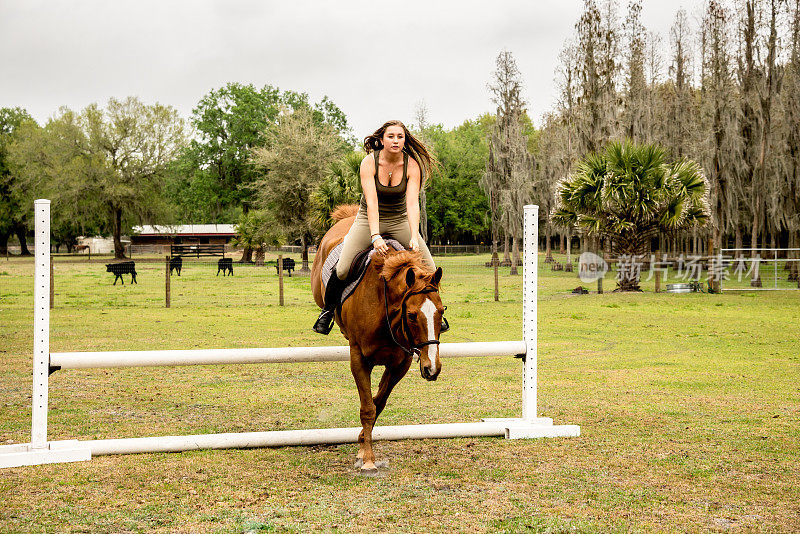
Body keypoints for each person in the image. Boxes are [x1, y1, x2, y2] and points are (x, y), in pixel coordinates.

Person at [313, 119, 444, 334]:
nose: (395, 140)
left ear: (404, 140)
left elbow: (412, 204)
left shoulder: (412, 165)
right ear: (381, 140)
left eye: (399, 137)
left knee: (429, 270)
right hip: (367, 219)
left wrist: (413, 235)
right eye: (390, 136)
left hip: (399, 219)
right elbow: (372, 202)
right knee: (344, 267)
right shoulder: (368, 163)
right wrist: (375, 236)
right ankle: (327, 311)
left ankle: (434, 314)